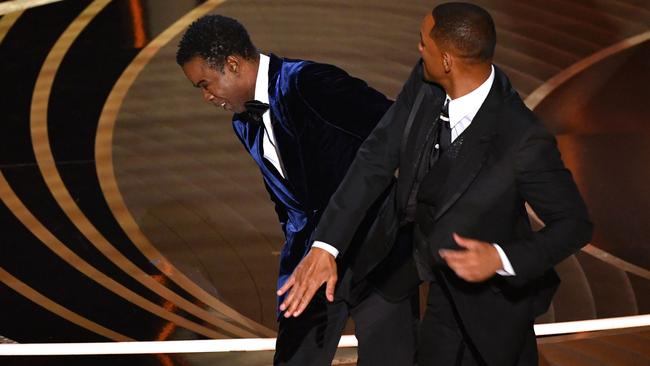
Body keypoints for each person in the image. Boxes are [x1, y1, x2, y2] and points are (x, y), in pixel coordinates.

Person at [278, 3, 593, 365]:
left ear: (447, 61)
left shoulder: (522, 137)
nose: (418, 49)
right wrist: (325, 246)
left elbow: (574, 224)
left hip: (490, 300)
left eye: (423, 42)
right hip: (419, 264)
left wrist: (501, 258)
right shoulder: (427, 81)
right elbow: (375, 158)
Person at [176, 15, 416, 366]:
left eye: (205, 84)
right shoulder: (243, 123)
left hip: (377, 249)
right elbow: (285, 199)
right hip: (309, 261)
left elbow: (396, 130)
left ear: (232, 64)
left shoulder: (310, 83)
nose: (207, 97)